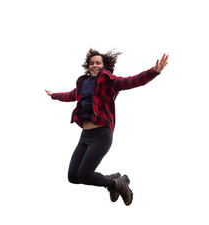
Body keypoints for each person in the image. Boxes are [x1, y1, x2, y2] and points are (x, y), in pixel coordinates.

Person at [45, 49, 168, 206]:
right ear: (88, 66)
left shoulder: (109, 80)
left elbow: (132, 81)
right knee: (73, 177)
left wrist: (153, 72)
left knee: (84, 174)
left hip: (101, 134)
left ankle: (119, 184)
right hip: (85, 136)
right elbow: (70, 95)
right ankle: (115, 179)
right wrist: (54, 95)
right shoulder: (83, 83)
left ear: (104, 65)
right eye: (92, 63)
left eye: (98, 63)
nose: (95, 65)